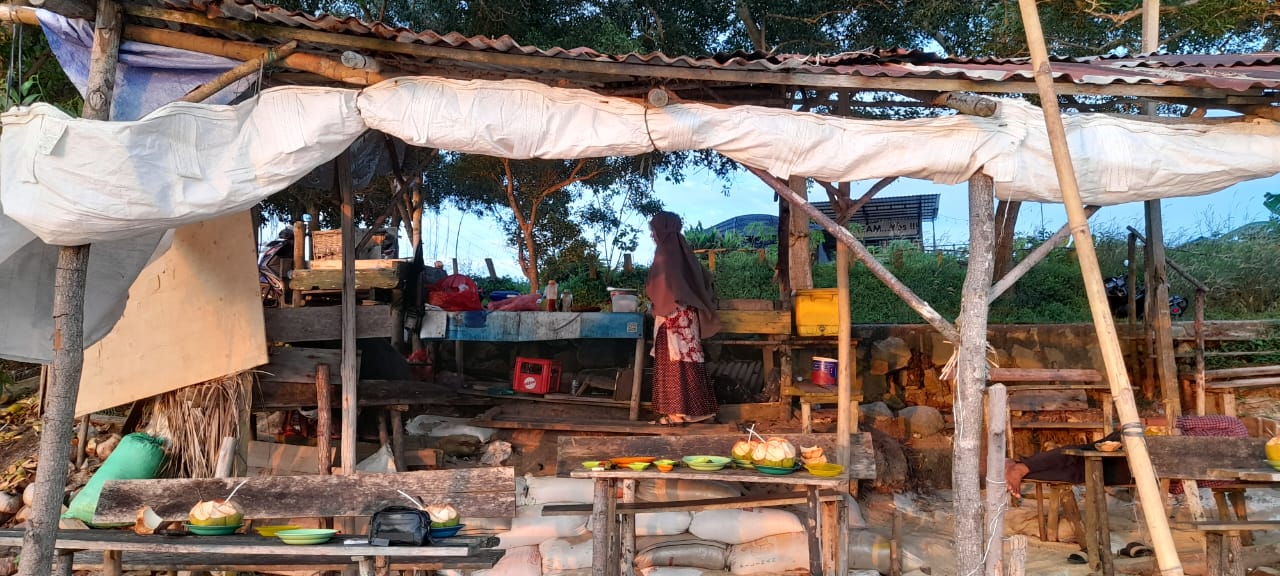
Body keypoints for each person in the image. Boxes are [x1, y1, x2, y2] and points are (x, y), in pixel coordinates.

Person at [645, 211, 722, 426]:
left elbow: (657, 287)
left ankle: (676, 413)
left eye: (653, 231)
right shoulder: (685, 252)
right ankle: (698, 411)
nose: (652, 236)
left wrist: (654, 303)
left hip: (671, 318)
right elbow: (704, 280)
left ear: (660, 231)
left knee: (673, 364)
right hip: (689, 318)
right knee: (689, 362)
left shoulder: (664, 255)